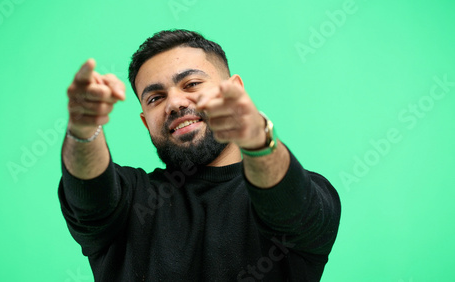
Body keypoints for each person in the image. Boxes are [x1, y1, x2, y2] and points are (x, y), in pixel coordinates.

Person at [58, 29, 341, 281]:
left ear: (235, 89)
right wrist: (83, 128)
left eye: (191, 84)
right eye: (156, 98)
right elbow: (89, 193)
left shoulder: (311, 194)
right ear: (146, 121)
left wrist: (256, 136)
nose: (175, 103)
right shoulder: (129, 199)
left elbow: (290, 205)